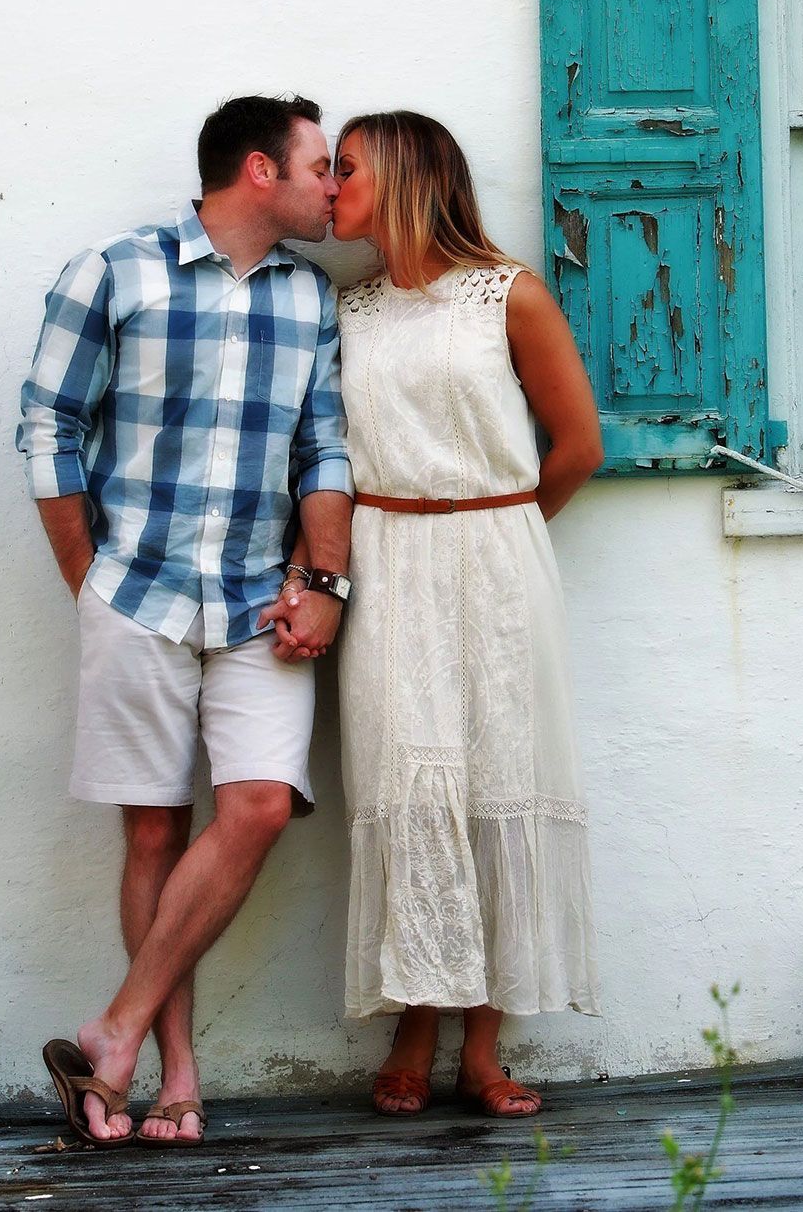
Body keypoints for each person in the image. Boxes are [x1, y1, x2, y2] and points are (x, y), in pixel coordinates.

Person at [16, 95, 353, 1146]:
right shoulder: (113, 271)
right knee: (154, 826)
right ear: (259, 172)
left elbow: (324, 454)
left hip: (261, 600)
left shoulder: (310, 300)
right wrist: (89, 577)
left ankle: (108, 1034)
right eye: (319, 167)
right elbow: (48, 423)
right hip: (140, 592)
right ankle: (172, 1074)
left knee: (255, 807)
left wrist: (327, 586)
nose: (334, 187)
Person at [272, 110, 603, 1117]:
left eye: (353, 169)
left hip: (495, 557)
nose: (334, 188)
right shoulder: (352, 309)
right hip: (385, 562)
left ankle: (486, 1049)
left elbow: (579, 444)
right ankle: (415, 1021)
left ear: (409, 178)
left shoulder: (509, 295)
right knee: (406, 777)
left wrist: (495, 530)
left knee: (501, 772)